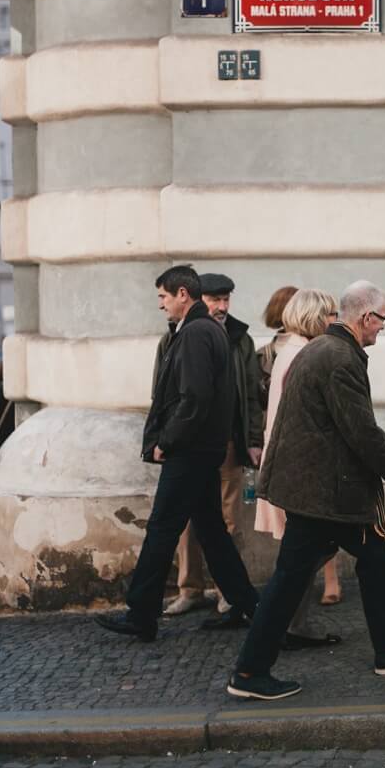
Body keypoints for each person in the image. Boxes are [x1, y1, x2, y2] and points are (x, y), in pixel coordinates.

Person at [228, 281, 385, 701]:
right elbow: (361, 431)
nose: (382, 328)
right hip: (326, 494)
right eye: (382, 319)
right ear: (366, 317)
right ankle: (250, 673)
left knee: (373, 559)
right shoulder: (339, 358)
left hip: (321, 489)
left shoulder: (322, 350)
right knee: (291, 578)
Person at [95, 266, 260, 642]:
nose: (161, 305)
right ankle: (248, 606)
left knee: (162, 529)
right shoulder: (203, 331)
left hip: (190, 451)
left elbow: (194, 399)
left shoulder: (196, 334)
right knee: (212, 532)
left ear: (183, 293)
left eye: (163, 297)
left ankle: (141, 614)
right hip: (202, 450)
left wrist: (166, 441)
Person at [164, 272, 263, 626]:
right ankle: (190, 589)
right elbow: (163, 393)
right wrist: (164, 438)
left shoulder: (240, 339)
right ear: (196, 298)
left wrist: (253, 440)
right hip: (190, 444)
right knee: (188, 520)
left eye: (226, 300)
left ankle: (227, 591)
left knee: (230, 520)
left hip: (228, 442)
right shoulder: (175, 335)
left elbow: (251, 394)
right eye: (214, 300)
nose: (221, 307)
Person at [253, 288, 342, 649]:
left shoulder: (293, 353)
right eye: (331, 314)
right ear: (315, 318)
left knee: (304, 554)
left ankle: (292, 626)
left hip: (291, 468)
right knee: (305, 556)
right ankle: (280, 629)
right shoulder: (301, 357)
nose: (336, 320)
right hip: (299, 471)